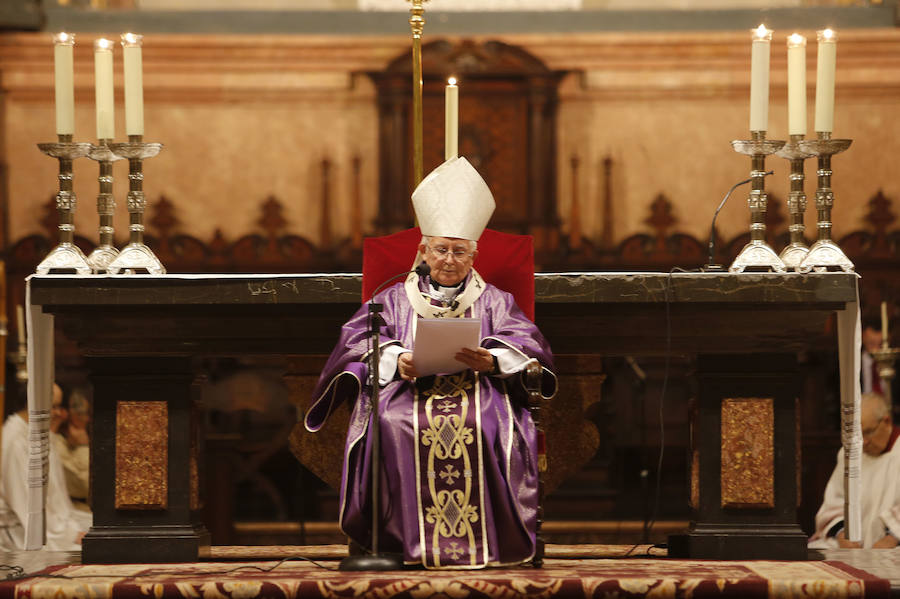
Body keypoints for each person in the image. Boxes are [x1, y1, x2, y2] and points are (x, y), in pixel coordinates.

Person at [305, 156, 557, 569]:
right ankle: (393, 541)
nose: (450, 260)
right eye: (441, 250)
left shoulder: (495, 300)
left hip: (480, 392)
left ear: (474, 255)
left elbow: (529, 344)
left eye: (460, 251)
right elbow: (355, 342)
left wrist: (491, 360)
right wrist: (394, 358)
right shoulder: (391, 296)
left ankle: (490, 542)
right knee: (392, 423)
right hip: (406, 392)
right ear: (423, 250)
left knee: (484, 424)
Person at [0, 383, 92, 551]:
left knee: (101, 530)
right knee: (95, 549)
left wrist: (71, 528)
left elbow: (57, 496)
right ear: (35, 404)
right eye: (54, 407)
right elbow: (26, 502)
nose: (59, 413)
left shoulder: (40, 433)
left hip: (54, 523)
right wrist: (69, 534)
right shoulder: (14, 438)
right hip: (21, 533)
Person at [809, 391, 900, 549]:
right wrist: (842, 534)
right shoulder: (849, 452)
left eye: (869, 432)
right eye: (857, 434)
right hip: (853, 546)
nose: (863, 442)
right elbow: (835, 501)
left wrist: (892, 537)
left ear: (887, 421)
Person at [50, 386, 91, 508]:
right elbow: (84, 486)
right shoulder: (56, 442)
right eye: (81, 414)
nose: (87, 419)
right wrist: (83, 446)